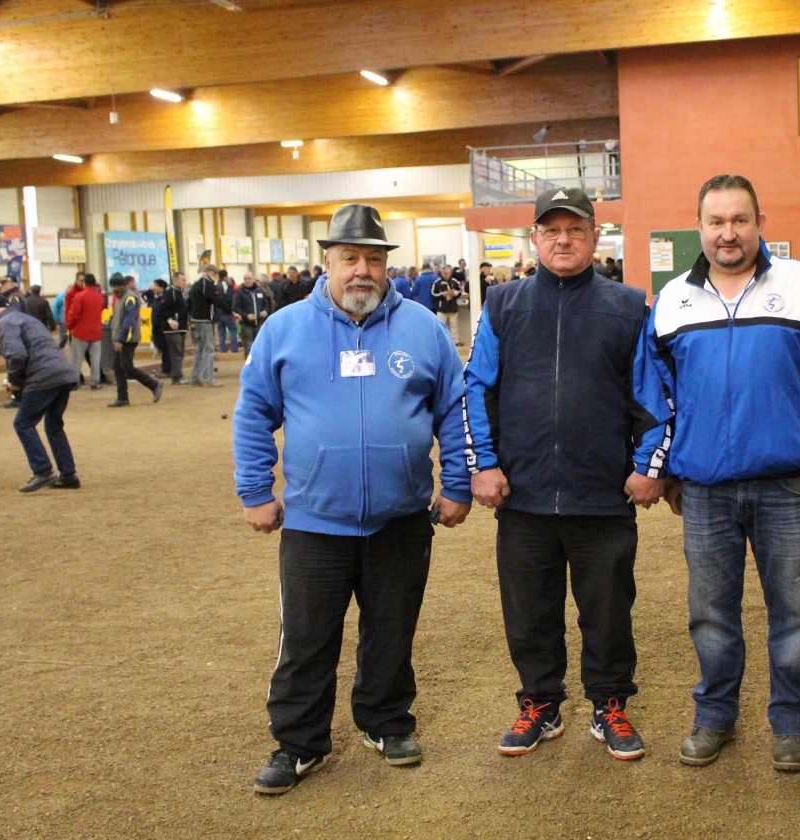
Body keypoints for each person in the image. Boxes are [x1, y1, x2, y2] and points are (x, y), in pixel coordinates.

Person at [633, 174, 800, 773]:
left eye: (739, 220)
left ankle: (791, 724)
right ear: (700, 227)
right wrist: (657, 467)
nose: (728, 233)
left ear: (759, 222)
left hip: (789, 488)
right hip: (705, 493)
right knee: (710, 613)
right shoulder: (671, 302)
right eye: (716, 222)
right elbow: (652, 396)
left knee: (793, 613)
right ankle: (714, 717)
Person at [234, 203, 471, 795]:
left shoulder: (422, 327)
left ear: (386, 263)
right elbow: (253, 414)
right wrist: (256, 490)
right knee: (308, 639)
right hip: (316, 522)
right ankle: (297, 743)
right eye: (349, 258)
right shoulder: (284, 329)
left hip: (402, 518)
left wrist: (460, 482)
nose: (361, 270)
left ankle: (386, 723)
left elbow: (455, 410)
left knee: (392, 630)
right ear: (328, 262)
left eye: (372, 258)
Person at [465, 186, 658, 761]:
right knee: (529, 612)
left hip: (602, 497)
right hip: (521, 498)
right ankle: (539, 705)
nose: (564, 239)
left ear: (597, 237)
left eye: (575, 229)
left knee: (608, 612)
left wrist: (647, 467)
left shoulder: (628, 306)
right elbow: (476, 387)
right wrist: (486, 465)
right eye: (552, 230)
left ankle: (610, 705)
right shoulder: (503, 306)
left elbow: (651, 396)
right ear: (535, 239)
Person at [0, 294, 81, 492]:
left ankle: (43, 470)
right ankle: (68, 474)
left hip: (43, 376)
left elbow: (17, 355)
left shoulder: (4, 323)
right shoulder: (28, 319)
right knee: (53, 424)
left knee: (23, 423)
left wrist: (13, 380)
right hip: (63, 372)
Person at [106, 273, 162, 408]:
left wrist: (121, 340)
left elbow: (129, 320)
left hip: (128, 338)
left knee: (126, 366)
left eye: (116, 286)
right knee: (118, 366)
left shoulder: (129, 298)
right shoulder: (119, 297)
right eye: (112, 286)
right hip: (121, 337)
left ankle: (154, 384)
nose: (113, 289)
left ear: (122, 285)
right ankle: (122, 397)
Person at [188, 263, 227, 387]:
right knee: (208, 350)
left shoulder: (195, 285)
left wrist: (190, 318)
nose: (217, 276)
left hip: (195, 320)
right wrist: (231, 312)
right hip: (204, 321)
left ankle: (195, 377)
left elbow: (188, 303)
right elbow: (217, 300)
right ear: (211, 273)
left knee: (199, 350)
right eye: (216, 274)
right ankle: (209, 378)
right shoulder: (207, 284)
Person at [65, 272, 104, 390]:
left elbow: (74, 314)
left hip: (80, 332)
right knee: (95, 359)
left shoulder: (80, 296)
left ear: (85, 282)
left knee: (77, 359)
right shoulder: (100, 296)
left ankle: (74, 382)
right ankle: (95, 381)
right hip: (96, 331)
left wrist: (69, 325)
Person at [156, 272, 190, 384]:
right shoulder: (170, 293)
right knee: (176, 352)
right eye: (182, 280)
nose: (185, 282)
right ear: (175, 281)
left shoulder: (180, 293)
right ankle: (177, 377)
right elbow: (162, 308)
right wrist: (170, 320)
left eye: (185, 280)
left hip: (181, 328)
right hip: (172, 329)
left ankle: (177, 375)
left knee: (179, 353)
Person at [233, 270, 271, 353]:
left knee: (260, 346)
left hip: (259, 323)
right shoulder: (240, 293)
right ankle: (249, 364)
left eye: (249, 278)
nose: (247, 280)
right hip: (246, 325)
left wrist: (265, 311)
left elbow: (265, 304)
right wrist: (246, 316)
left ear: (253, 279)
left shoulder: (260, 291)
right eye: (245, 279)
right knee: (248, 347)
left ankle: (259, 365)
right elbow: (236, 308)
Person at [431, 265, 462, 344]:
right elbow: (433, 294)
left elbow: (459, 291)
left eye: (448, 273)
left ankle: (456, 341)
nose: (446, 275)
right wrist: (442, 294)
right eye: (444, 274)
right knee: (440, 326)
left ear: (450, 273)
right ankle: (440, 341)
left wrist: (455, 293)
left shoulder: (454, 281)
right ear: (441, 273)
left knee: (454, 325)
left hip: (452, 307)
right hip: (442, 308)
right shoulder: (437, 283)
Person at [214, 270, 240, 353]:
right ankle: (234, 348)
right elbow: (230, 299)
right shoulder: (228, 286)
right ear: (226, 276)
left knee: (221, 332)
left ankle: (222, 349)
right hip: (227, 312)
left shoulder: (216, 285)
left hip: (218, 313)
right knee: (233, 330)